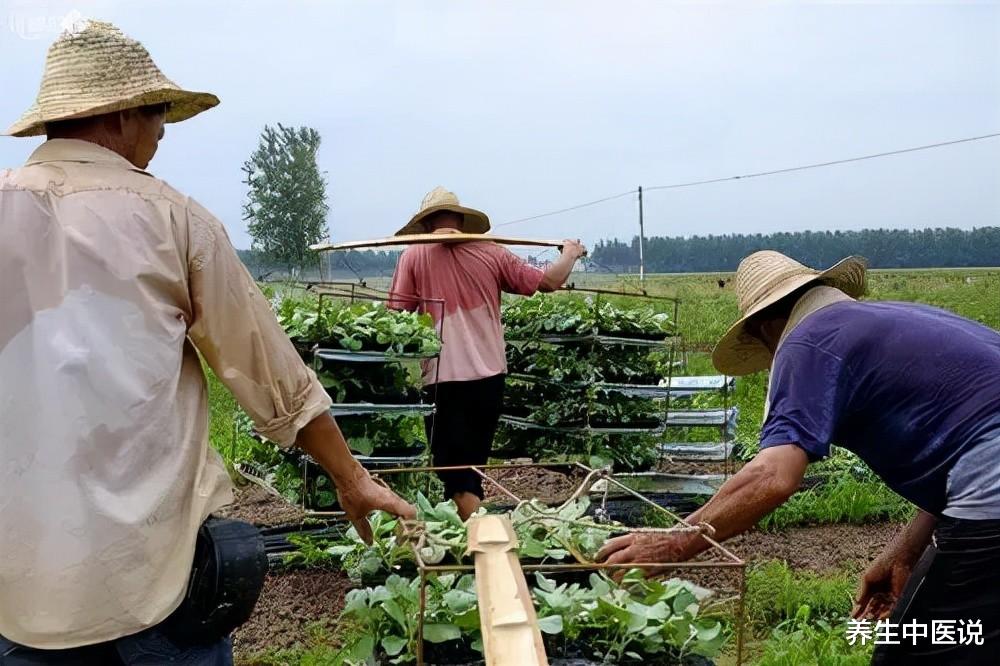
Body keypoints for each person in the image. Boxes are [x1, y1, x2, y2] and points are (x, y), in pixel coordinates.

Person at [0, 20, 414, 664]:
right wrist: (352, 479)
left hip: (19, 588)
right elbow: (271, 373)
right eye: (159, 113)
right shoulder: (174, 219)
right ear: (123, 114)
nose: (163, 132)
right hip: (151, 583)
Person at [598, 250, 1000, 665]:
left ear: (764, 327)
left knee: (913, 653)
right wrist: (904, 550)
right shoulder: (891, 320)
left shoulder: (808, 341)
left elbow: (774, 475)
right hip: (986, 482)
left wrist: (675, 543)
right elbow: (969, 442)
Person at [389, 186, 586, 519]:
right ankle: (477, 532)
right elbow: (549, 282)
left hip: (443, 379)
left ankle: (484, 533)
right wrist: (570, 253)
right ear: (460, 219)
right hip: (490, 377)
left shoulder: (413, 256)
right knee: (472, 466)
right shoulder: (492, 252)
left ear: (426, 223)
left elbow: (396, 315)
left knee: (453, 471)